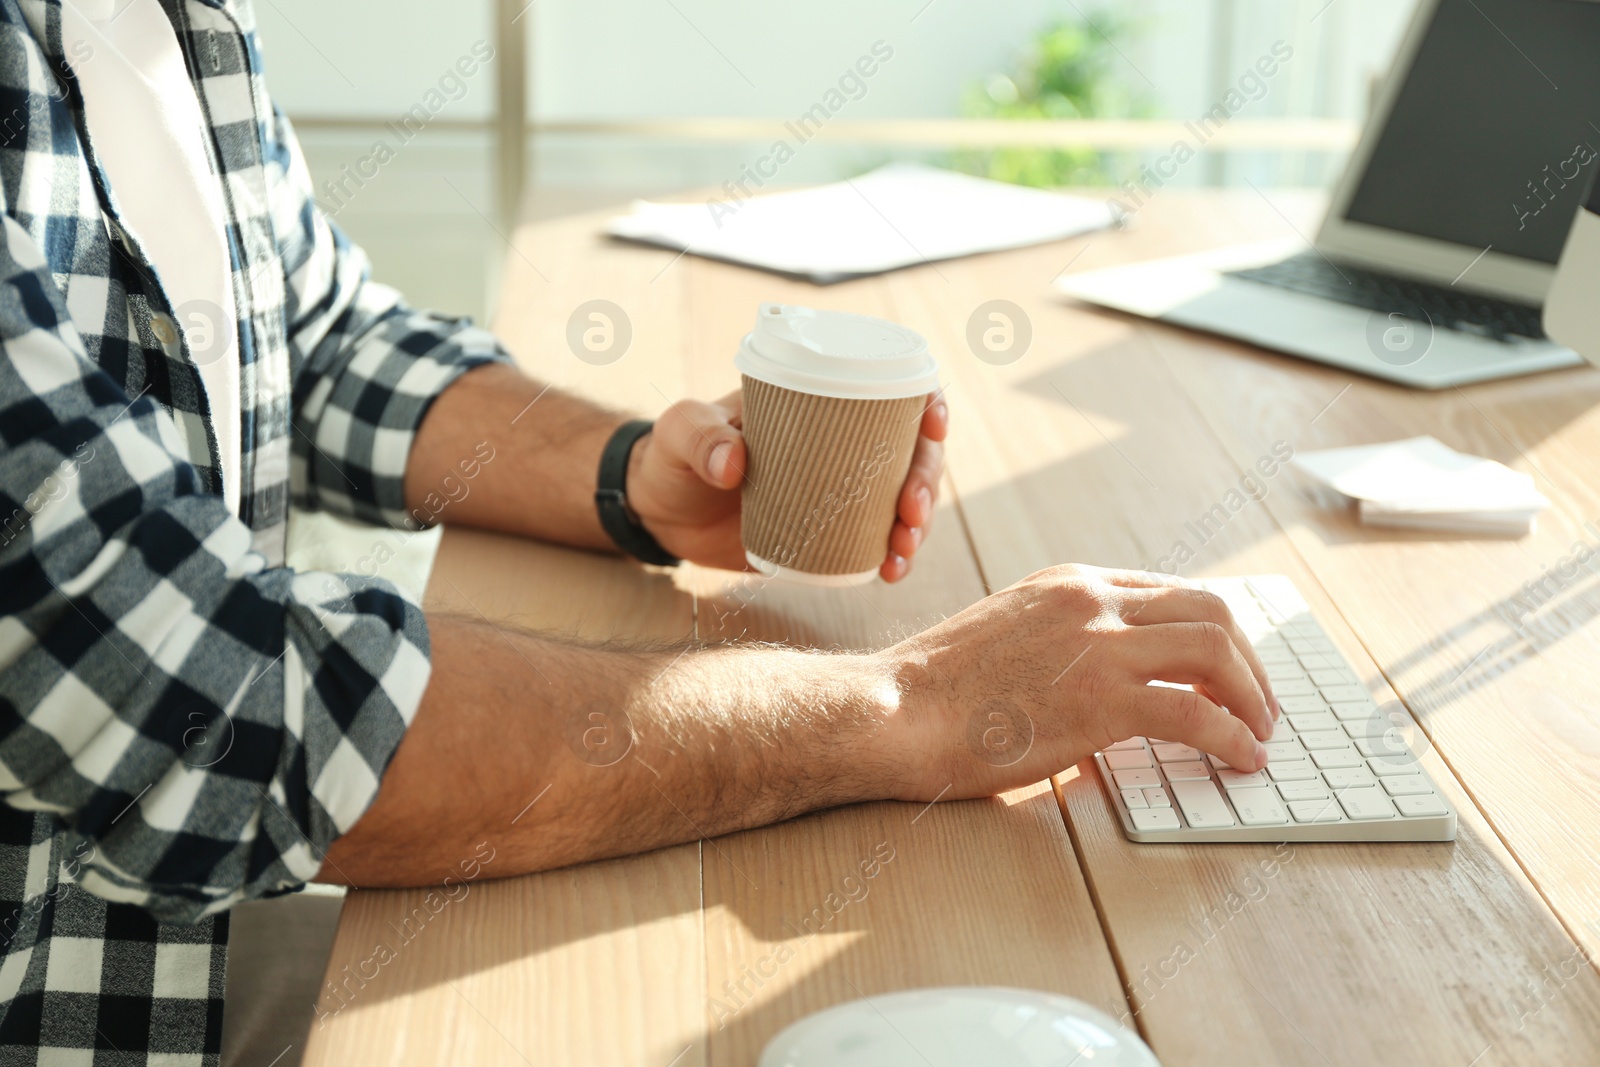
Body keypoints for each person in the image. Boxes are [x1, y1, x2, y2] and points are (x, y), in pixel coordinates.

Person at [0, 0, 1277, 1060]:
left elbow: (320, 342)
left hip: (175, 936)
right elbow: (225, 713)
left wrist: (627, 478)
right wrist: (915, 703)